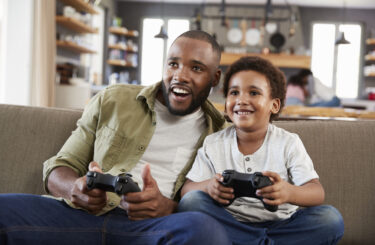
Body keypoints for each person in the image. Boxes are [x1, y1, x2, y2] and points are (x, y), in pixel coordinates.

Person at [0, 30, 232, 244]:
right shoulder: (115, 100)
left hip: (150, 229)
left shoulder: (221, 133)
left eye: (197, 68)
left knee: (206, 231)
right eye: (173, 64)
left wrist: (168, 207)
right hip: (80, 217)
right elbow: (59, 167)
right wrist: (75, 189)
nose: (180, 76)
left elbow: (212, 202)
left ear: (215, 78)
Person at [178, 56, 344, 245]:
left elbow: (316, 192)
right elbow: (187, 191)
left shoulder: (288, 142)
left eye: (254, 93)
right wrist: (209, 187)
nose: (241, 100)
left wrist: (288, 192)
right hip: (231, 224)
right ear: (226, 103)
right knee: (191, 202)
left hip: (282, 225)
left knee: (330, 218)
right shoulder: (213, 143)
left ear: (274, 105)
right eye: (234, 92)